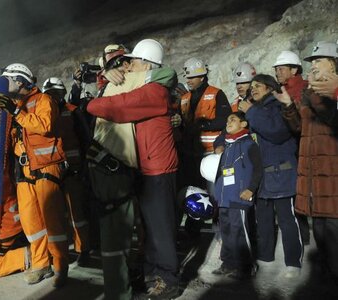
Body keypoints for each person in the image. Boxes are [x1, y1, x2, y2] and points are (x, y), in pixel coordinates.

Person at [87, 38, 180, 299]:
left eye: (134, 63)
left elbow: (118, 106)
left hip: (159, 169)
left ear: (148, 65)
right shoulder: (149, 86)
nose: (129, 67)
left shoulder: (154, 92)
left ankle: (168, 279)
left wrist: (92, 105)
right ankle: (152, 274)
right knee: (149, 229)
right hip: (147, 166)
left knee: (161, 228)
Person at [0, 63, 68, 287]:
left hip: (47, 167)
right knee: (31, 222)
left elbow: (44, 125)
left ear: (20, 81)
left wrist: (16, 112)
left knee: (53, 220)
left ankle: (60, 266)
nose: (5, 83)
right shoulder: (16, 105)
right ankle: (41, 264)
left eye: (8, 79)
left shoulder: (43, 100)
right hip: (24, 169)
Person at [277, 41, 338, 282]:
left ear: (333, 65)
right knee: (320, 229)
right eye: (312, 63)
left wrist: (328, 93)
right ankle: (324, 279)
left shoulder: (327, 93)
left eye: (318, 62)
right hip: (315, 174)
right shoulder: (311, 92)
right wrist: (289, 107)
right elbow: (300, 128)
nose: (313, 67)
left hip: (332, 174)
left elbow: (332, 120)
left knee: (333, 230)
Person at [238, 74, 303, 279]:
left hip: (280, 171)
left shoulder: (275, 107)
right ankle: (265, 258)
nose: (253, 89)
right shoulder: (255, 110)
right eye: (252, 87)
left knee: (287, 219)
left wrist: (251, 113)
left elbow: (277, 132)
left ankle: (293, 262)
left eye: (259, 86)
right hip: (262, 175)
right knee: (263, 219)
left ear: (269, 88)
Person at [178, 57, 231, 237]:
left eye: (192, 77)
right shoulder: (184, 98)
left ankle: (220, 233)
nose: (189, 81)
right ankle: (192, 232)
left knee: (214, 195)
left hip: (209, 156)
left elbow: (225, 120)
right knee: (193, 193)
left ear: (202, 76)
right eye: (187, 78)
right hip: (190, 154)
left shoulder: (216, 94)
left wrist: (202, 125)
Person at [42, 77, 91, 266]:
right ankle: (60, 254)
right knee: (55, 215)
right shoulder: (43, 112)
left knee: (77, 212)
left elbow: (85, 139)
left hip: (73, 170)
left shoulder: (72, 111)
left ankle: (83, 249)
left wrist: (84, 166)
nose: (54, 97)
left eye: (58, 93)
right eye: (51, 94)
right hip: (50, 170)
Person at [212, 111, 263, 279]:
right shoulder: (226, 145)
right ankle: (228, 263)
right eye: (227, 119)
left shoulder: (249, 144)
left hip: (240, 196)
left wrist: (251, 189)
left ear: (243, 124)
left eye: (233, 119)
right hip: (224, 197)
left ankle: (246, 267)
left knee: (239, 231)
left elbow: (257, 168)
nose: (228, 122)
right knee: (226, 231)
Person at [273, 50, 311, 245]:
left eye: (282, 68)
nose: (278, 72)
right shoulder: (282, 90)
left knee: (299, 194)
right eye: (276, 69)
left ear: (294, 69)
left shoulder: (303, 89)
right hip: (290, 148)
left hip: (298, 146)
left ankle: (304, 239)